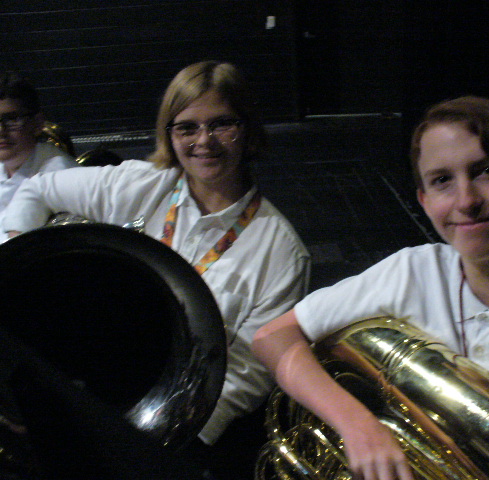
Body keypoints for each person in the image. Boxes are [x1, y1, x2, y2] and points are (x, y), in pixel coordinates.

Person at [252, 95, 489, 480]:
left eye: (486, 171)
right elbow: (273, 337)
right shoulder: (412, 271)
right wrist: (357, 425)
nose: (467, 200)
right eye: (442, 181)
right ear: (423, 200)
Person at [3, 60, 311, 477]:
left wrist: (145, 440)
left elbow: (245, 377)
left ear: (248, 129)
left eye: (222, 124)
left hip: (176, 420)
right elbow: (37, 189)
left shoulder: (281, 250)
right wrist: (17, 258)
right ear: (169, 133)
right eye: (187, 128)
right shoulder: (141, 183)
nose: (204, 141)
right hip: (99, 372)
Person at [0, 71, 77, 243]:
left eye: (12, 119)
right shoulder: (4, 166)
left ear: (37, 123)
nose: (1, 131)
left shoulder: (60, 174)